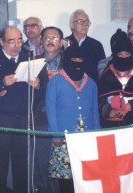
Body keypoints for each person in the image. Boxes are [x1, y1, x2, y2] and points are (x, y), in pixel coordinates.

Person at [0, 26, 43, 193]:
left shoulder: (29, 58)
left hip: (23, 118)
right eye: (11, 41)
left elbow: (43, 91)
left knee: (22, 164)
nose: (16, 46)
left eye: (19, 41)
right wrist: (1, 83)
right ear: (1, 42)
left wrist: (38, 85)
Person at [46, 45, 100, 193]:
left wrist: (97, 134)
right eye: (73, 60)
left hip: (87, 136)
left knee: (86, 176)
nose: (77, 63)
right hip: (63, 138)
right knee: (66, 179)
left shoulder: (91, 83)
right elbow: (50, 110)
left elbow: (95, 110)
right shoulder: (55, 82)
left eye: (80, 60)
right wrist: (55, 134)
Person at [98, 28, 133, 128]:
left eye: (127, 54)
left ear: (131, 54)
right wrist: (109, 110)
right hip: (111, 124)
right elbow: (100, 100)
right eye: (120, 54)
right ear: (115, 55)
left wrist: (131, 106)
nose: (124, 57)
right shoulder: (107, 73)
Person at [32, 26, 65, 193]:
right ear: (41, 42)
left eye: (54, 38)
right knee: (42, 161)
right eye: (47, 38)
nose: (50, 41)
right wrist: (36, 88)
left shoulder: (70, 61)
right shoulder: (33, 62)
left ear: (61, 42)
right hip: (41, 118)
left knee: (64, 164)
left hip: (64, 118)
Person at [65, 9, 105, 82]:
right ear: (72, 25)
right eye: (80, 21)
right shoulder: (64, 43)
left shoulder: (96, 45)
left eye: (87, 22)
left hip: (90, 86)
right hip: (68, 86)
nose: (84, 24)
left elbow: (102, 70)